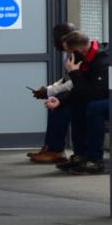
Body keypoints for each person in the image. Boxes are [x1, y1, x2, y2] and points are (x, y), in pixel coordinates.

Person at [48, 29, 111, 175]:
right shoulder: (80, 56)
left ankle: (95, 160)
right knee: (76, 105)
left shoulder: (102, 60)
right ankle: (81, 155)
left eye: (68, 51)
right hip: (96, 95)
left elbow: (94, 94)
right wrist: (60, 101)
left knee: (94, 107)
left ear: (80, 49)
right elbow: (79, 89)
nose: (67, 55)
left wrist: (74, 73)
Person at [25, 22, 79, 164]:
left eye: (54, 38)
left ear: (63, 39)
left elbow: (75, 82)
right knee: (54, 101)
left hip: (83, 94)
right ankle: (50, 148)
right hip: (76, 91)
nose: (52, 41)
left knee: (60, 106)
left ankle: (57, 151)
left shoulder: (77, 54)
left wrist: (49, 91)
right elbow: (67, 78)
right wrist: (50, 89)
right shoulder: (68, 54)